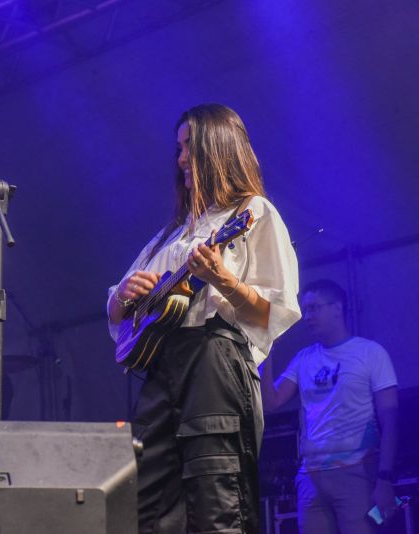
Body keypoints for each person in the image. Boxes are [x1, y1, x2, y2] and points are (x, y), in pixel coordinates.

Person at [107, 103, 301, 533]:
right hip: (163, 374)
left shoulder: (254, 213)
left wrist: (222, 279)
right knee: (149, 505)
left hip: (216, 364)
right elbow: (117, 313)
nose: (179, 159)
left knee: (217, 501)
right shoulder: (173, 233)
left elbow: (276, 311)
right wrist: (123, 295)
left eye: (188, 146)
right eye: (178, 148)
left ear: (217, 147)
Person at [261, 279, 398, 534]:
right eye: (305, 310)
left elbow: (390, 421)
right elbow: (271, 402)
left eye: (314, 308)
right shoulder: (303, 359)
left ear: (337, 308)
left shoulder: (370, 353)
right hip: (311, 476)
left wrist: (385, 479)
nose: (307, 317)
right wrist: (265, 350)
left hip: (358, 470)